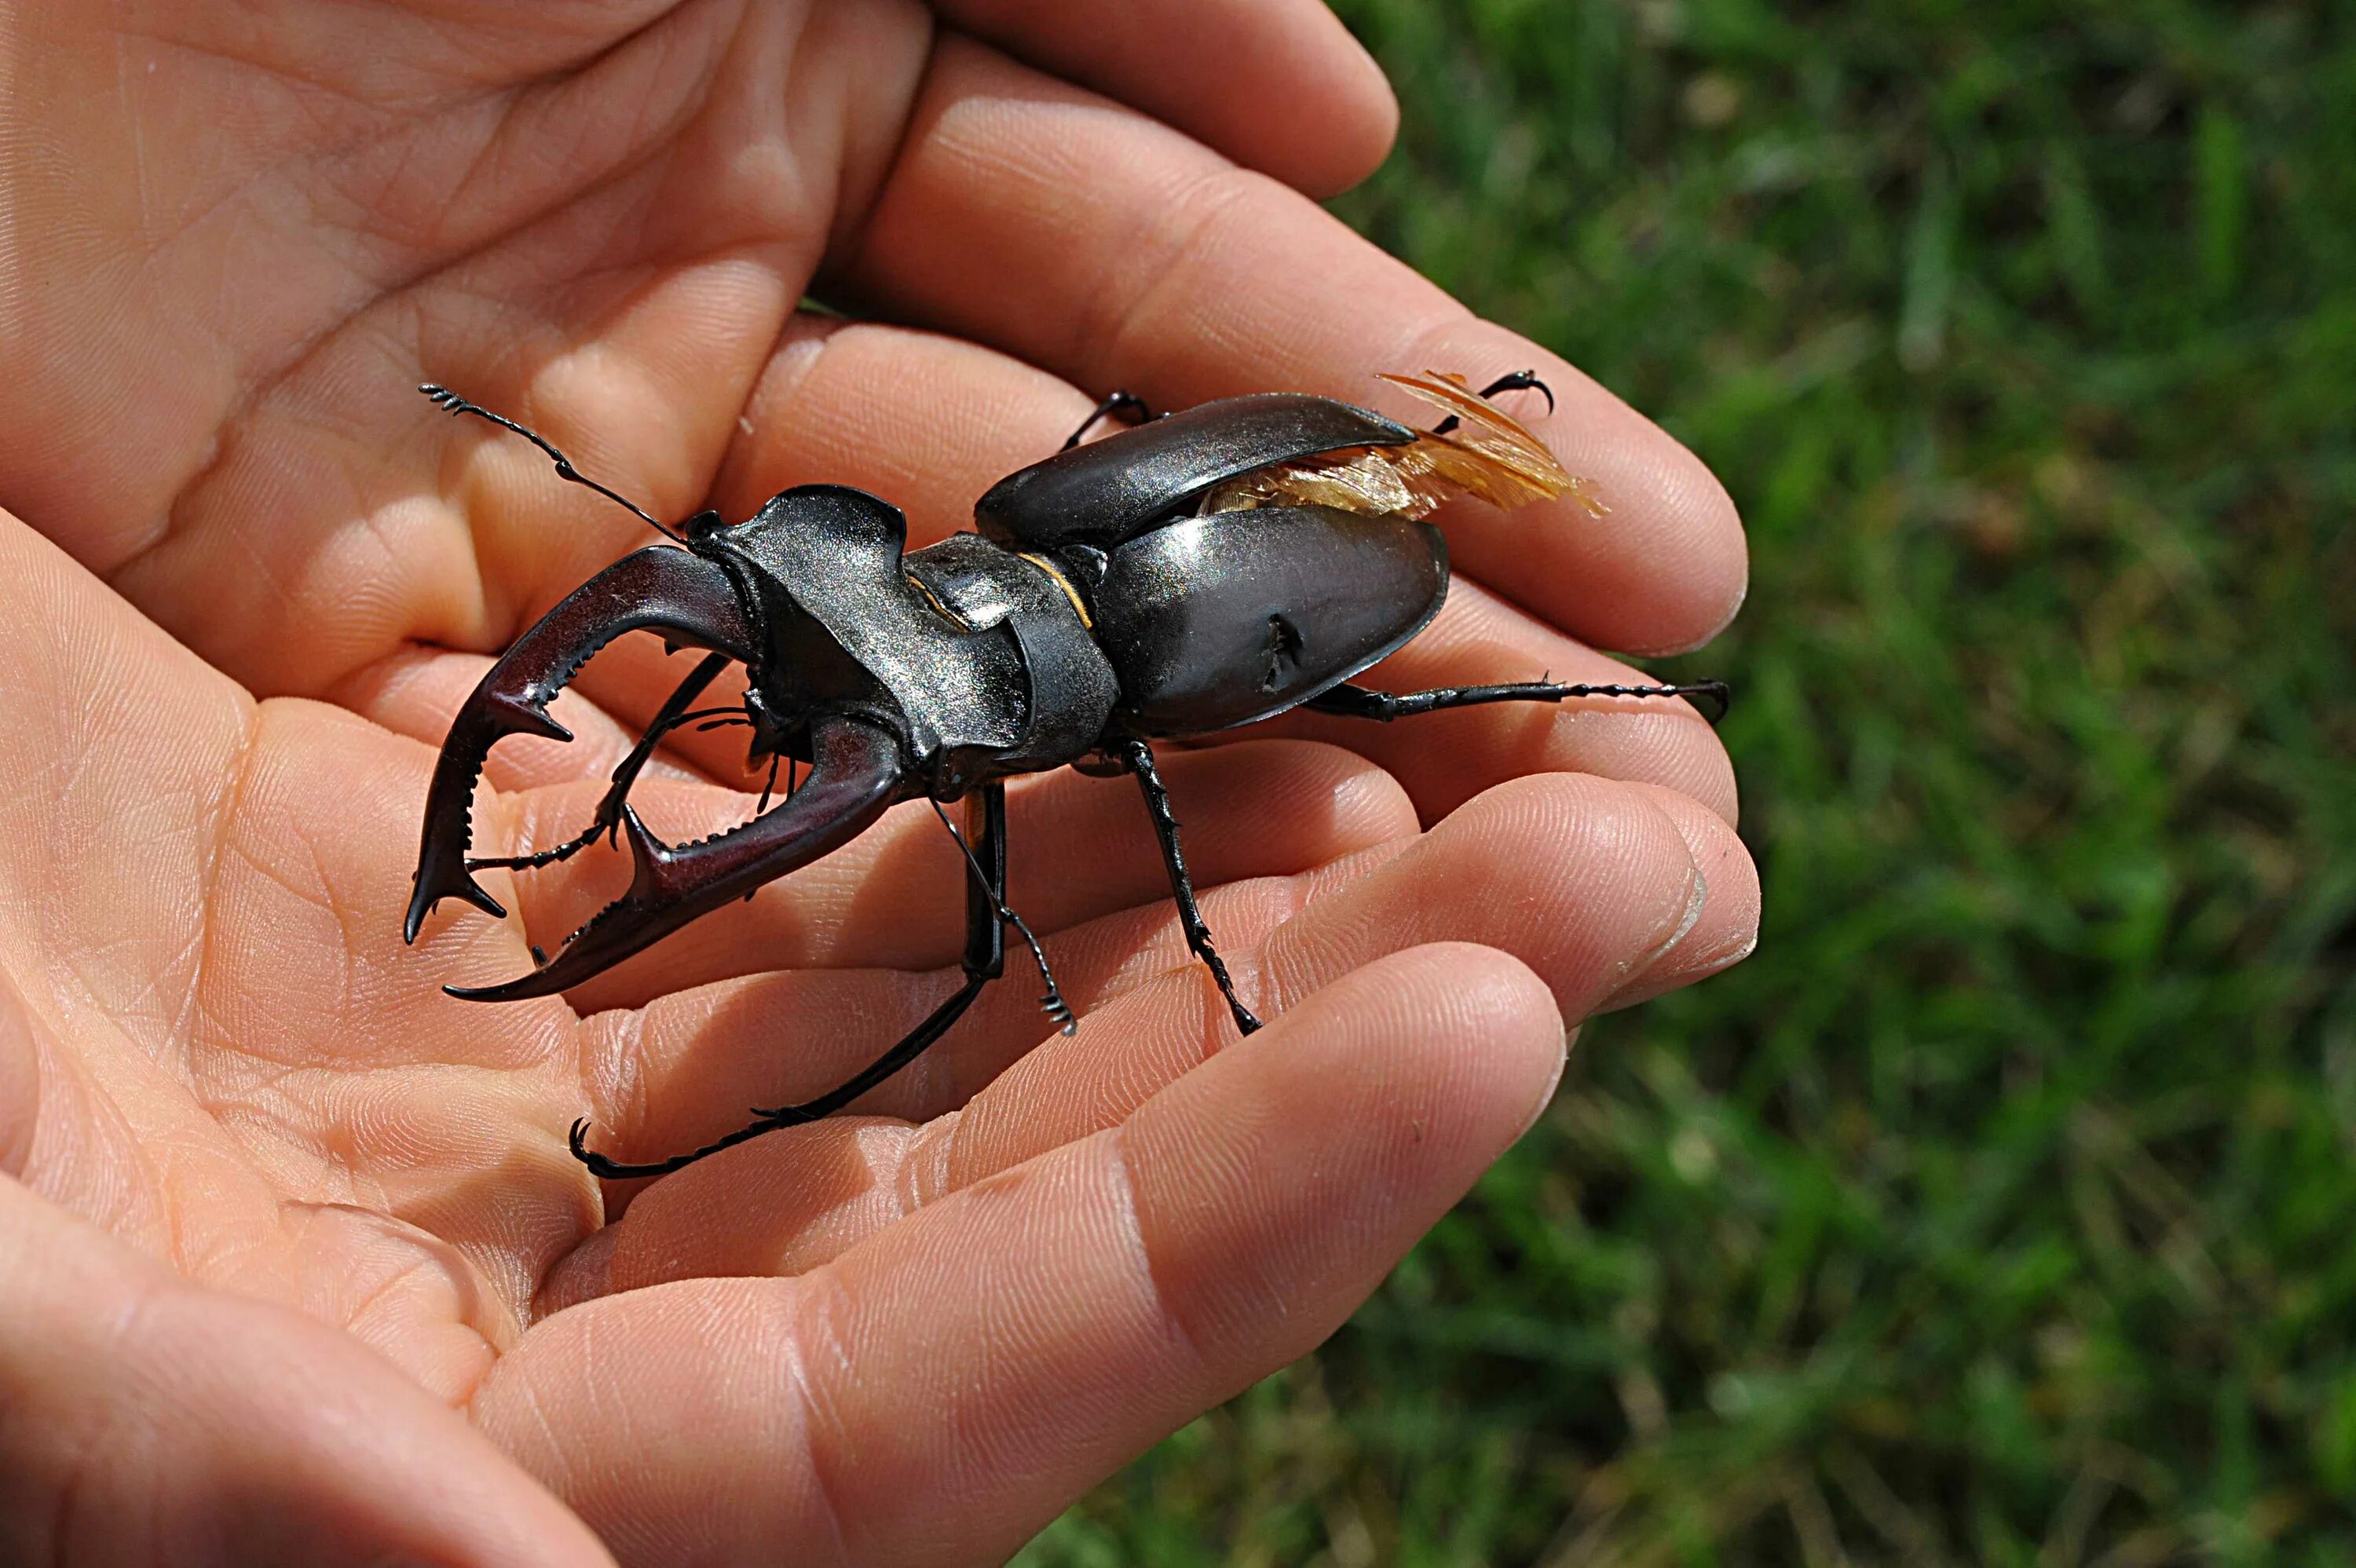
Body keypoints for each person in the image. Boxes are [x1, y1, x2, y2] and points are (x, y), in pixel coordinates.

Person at [0, 2, 1756, 1561]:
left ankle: (1569, 675)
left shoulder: (1107, 654)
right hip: (1120, 553)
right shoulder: (1018, 518)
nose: (810, 712)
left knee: (1105, 896)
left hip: (1280, 598)